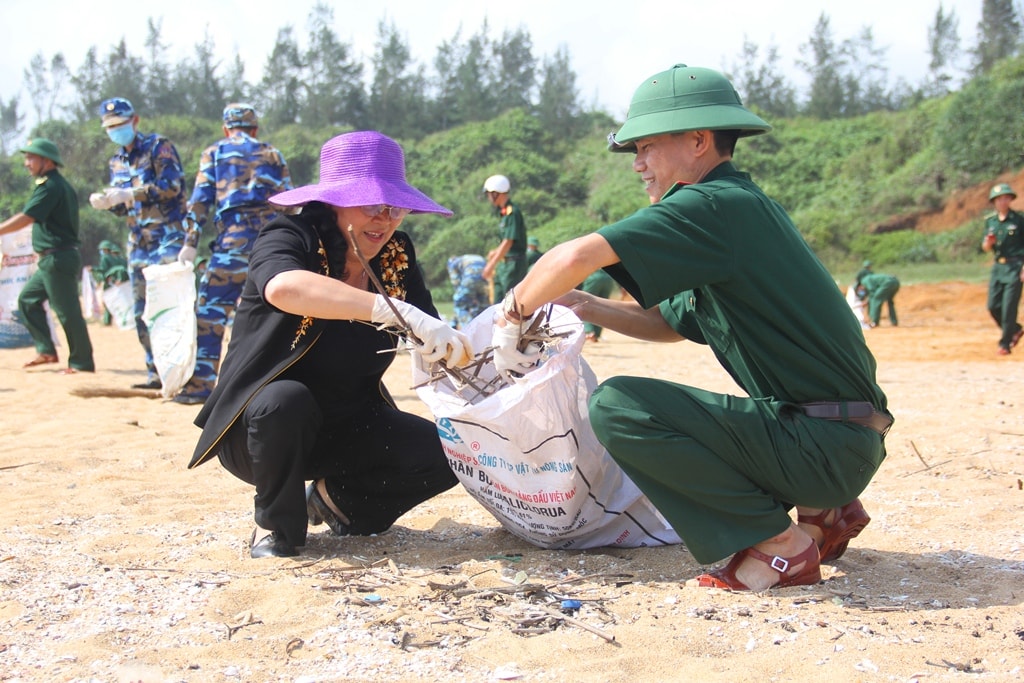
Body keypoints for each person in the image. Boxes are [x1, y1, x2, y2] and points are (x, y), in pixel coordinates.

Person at [490, 64, 892, 592]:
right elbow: (668, 323)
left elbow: (578, 253)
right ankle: (823, 511)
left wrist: (511, 312)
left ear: (699, 140)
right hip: (838, 434)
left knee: (619, 407)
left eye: (646, 147)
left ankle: (779, 547)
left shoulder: (710, 205)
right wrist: (586, 304)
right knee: (674, 410)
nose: (637, 164)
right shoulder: (735, 209)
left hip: (824, 442)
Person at [187, 131, 472, 559]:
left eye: (395, 207)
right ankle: (278, 529)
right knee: (285, 400)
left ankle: (332, 502)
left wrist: (477, 350)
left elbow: (429, 328)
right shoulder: (289, 235)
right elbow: (284, 287)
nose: (385, 219)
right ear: (335, 200)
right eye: (372, 205)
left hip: (348, 423)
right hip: (262, 431)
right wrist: (384, 308)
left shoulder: (396, 253)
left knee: (441, 453)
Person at [173, 103, 293, 405]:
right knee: (275, 315)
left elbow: (200, 201)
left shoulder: (215, 152)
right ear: (255, 128)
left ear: (226, 128)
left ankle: (201, 384)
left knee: (211, 311)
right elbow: (292, 203)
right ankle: (273, 381)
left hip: (232, 244)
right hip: (271, 243)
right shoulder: (272, 154)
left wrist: (190, 241)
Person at [89, 97, 193, 390]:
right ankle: (155, 372)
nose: (116, 130)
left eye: (120, 124)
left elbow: (172, 187)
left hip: (168, 237)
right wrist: (109, 202)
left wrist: (131, 194)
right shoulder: (116, 160)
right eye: (110, 127)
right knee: (142, 309)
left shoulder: (159, 147)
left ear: (134, 120)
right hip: (138, 243)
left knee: (170, 306)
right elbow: (123, 207)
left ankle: (182, 372)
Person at [0, 138, 95, 374]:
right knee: (27, 301)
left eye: (31, 158)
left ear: (47, 161)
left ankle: (81, 362)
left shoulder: (51, 186)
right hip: (49, 260)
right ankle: (47, 351)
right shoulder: (51, 185)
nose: (26, 163)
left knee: (67, 310)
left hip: (58, 257)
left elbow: (27, 216)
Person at [981, 183, 1024, 356]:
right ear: (994, 202)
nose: (1002, 202)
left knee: (1009, 308)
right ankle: (1015, 329)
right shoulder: (990, 222)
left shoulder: (1019, 221)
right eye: (999, 199)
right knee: (993, 305)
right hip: (998, 267)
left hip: (1016, 266)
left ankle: (1005, 344)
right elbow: (985, 246)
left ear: (1010, 200)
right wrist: (988, 243)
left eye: (1006, 198)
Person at [481, 174, 528, 304]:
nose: (489, 198)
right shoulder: (503, 213)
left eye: (490, 194)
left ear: (496, 193)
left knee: (510, 304)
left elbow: (508, 242)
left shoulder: (512, 212)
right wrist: (495, 253)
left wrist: (491, 265)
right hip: (504, 264)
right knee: (498, 305)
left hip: (513, 265)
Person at [446, 253, 489, 328]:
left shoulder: (452, 264)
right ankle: (485, 329)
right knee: (482, 308)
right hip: (484, 279)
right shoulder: (466, 258)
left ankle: (468, 329)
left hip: (470, 278)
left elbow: (456, 283)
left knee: (460, 304)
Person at [94, 240, 129, 325]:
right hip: (122, 282)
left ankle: (107, 321)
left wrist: (93, 269)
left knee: (108, 300)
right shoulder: (122, 260)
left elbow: (103, 270)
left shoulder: (105, 258)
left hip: (110, 281)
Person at [577, 269, 617, 341]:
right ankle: (597, 333)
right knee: (602, 306)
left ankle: (589, 332)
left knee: (585, 303)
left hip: (594, 277)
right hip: (609, 278)